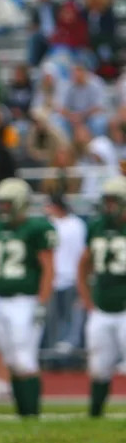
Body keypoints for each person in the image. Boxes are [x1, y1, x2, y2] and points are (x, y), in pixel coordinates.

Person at [0, 179, 55, 418]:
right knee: (10, 358)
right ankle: (23, 414)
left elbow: (48, 268)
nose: (3, 209)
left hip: (25, 300)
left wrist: (42, 302)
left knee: (24, 359)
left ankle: (31, 414)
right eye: (1, 204)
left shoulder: (38, 228)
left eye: (8, 204)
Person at [77, 176, 126, 417]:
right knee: (98, 366)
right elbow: (83, 264)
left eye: (113, 201)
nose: (109, 206)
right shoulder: (96, 226)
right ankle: (95, 414)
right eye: (106, 201)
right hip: (102, 307)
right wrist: (87, 299)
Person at [45, 194, 86, 363]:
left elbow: (81, 252)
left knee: (71, 319)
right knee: (52, 320)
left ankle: (71, 358)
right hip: (53, 279)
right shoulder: (48, 224)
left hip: (71, 277)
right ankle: (52, 357)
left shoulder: (76, 224)